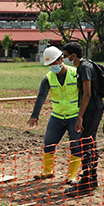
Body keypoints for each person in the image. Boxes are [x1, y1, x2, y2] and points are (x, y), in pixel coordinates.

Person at [27, 46, 82, 184]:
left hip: (74, 116)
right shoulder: (48, 78)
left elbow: (85, 93)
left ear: (61, 59)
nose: (52, 66)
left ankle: (71, 176)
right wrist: (35, 115)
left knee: (76, 145)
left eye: (53, 63)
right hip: (57, 116)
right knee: (49, 143)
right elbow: (41, 97)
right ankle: (48, 171)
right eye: (49, 64)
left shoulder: (75, 73)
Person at [62, 42, 104, 196]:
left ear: (73, 56)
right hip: (92, 109)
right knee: (90, 142)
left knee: (86, 143)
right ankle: (91, 180)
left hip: (92, 110)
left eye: (66, 56)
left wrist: (80, 117)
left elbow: (87, 93)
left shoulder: (84, 68)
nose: (64, 58)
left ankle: (86, 184)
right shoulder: (85, 66)